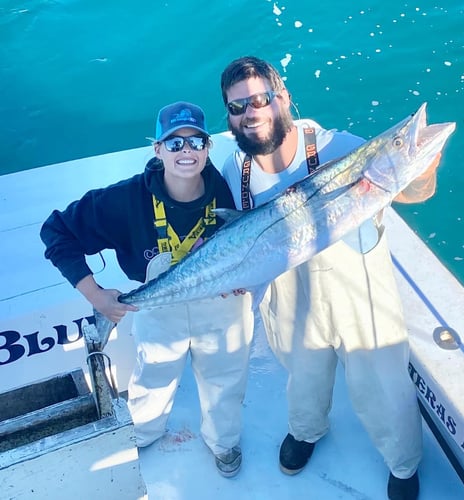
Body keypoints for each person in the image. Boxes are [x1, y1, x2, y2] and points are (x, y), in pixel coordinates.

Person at [216, 56, 442, 499]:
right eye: (238, 107)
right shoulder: (234, 171)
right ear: (229, 115)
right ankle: (306, 431)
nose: (251, 113)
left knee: (385, 388)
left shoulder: (339, 147)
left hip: (360, 294)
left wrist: (421, 162)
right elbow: (238, 242)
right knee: (302, 378)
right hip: (287, 298)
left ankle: (403, 463)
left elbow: (415, 191)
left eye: (260, 99)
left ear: (283, 100)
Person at [40, 101, 254, 478]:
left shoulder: (228, 194)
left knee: (226, 375)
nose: (185, 152)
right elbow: (56, 230)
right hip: (157, 306)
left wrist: (241, 279)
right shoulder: (126, 200)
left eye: (195, 142)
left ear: (207, 148)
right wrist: (95, 294)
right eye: (174, 144)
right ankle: (144, 432)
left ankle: (224, 442)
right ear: (157, 149)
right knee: (153, 374)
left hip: (219, 305)